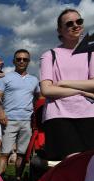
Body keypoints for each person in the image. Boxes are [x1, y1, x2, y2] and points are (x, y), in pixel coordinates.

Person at [39, 8, 94, 161]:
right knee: (73, 161)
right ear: (60, 30)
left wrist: (64, 83)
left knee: (90, 163)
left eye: (79, 21)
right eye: (69, 23)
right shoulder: (49, 55)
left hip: (89, 113)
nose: (75, 25)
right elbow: (46, 90)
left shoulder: (91, 54)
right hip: (59, 115)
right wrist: (82, 90)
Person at [0, 49, 40, 179]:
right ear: (14, 61)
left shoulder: (34, 80)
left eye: (25, 59)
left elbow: (38, 98)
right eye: (19, 59)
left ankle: (18, 180)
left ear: (29, 62)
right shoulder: (5, 77)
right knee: (4, 153)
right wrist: (1, 113)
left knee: (22, 154)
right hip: (9, 120)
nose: (22, 61)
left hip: (27, 121)